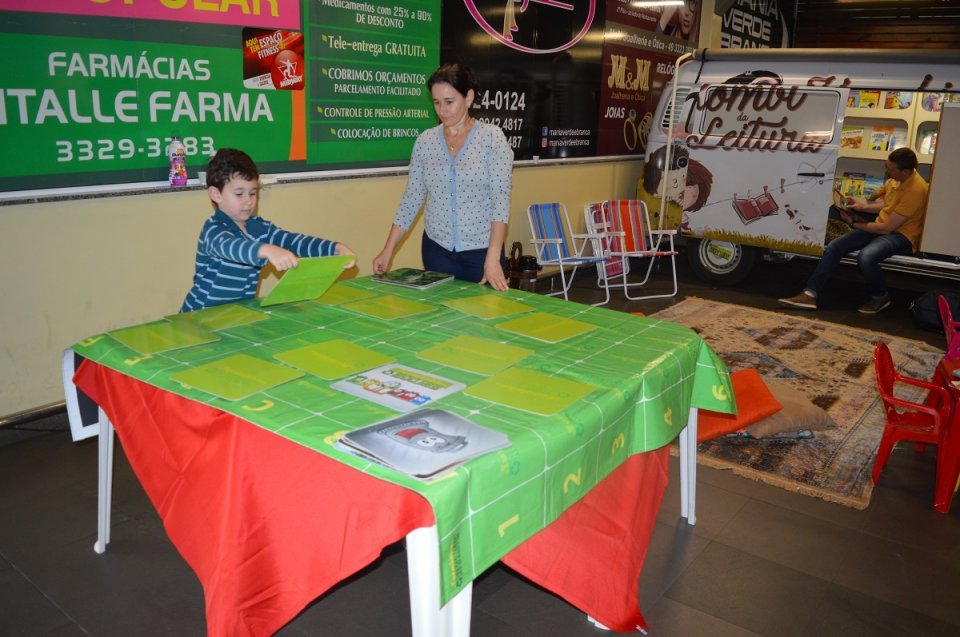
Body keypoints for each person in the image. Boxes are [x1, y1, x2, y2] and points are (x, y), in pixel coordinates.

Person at [372, 63, 513, 291]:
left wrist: (493, 258)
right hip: (437, 250)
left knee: (482, 320)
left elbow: (500, 202)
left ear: (468, 98)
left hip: (481, 252)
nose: (442, 110)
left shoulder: (492, 139)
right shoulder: (425, 142)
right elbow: (412, 199)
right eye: (436, 102)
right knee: (440, 320)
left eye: (449, 102)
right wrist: (388, 249)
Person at [181, 148, 354, 312]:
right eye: (239, 194)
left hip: (235, 314)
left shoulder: (259, 228)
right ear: (215, 194)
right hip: (197, 317)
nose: (248, 201)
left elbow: (292, 241)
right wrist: (266, 250)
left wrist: (333, 248)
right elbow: (232, 247)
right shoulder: (213, 230)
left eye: (253, 193)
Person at [778, 147, 928, 315]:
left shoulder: (916, 191)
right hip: (883, 226)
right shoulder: (897, 180)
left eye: (890, 169)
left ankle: (880, 297)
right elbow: (888, 206)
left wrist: (853, 223)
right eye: (887, 166)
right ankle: (809, 294)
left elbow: (886, 229)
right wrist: (862, 206)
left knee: (867, 256)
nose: (887, 171)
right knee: (835, 246)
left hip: (902, 235)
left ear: (905, 172)